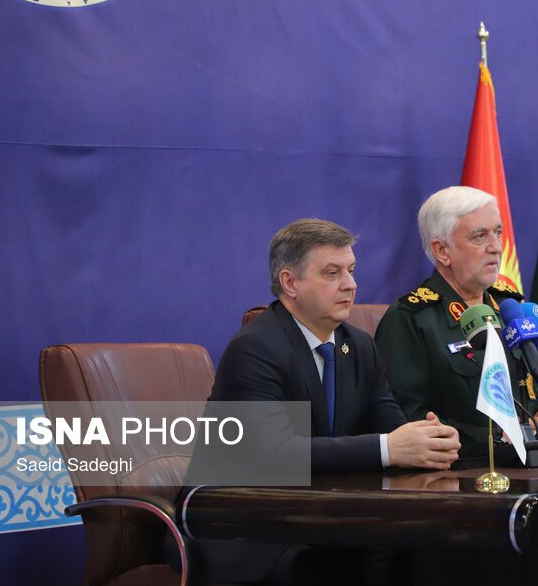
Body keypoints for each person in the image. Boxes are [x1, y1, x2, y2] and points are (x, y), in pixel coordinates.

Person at [196, 218, 460, 585]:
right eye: (332, 273)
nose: (350, 284)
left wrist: (428, 441)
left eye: (351, 270)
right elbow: (273, 454)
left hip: (322, 513)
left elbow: (393, 427)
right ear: (290, 282)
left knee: (421, 547)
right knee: (327, 563)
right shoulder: (255, 348)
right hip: (242, 521)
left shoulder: (359, 346)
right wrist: (389, 448)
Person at [374, 186, 531, 459]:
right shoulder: (410, 318)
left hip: (534, 463)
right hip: (461, 470)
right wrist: (493, 438)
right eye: (479, 236)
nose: (496, 247)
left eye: (497, 233)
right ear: (442, 251)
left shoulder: (511, 308)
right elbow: (404, 418)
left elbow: (533, 385)